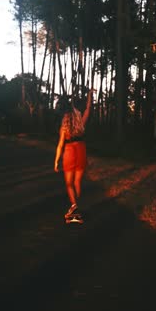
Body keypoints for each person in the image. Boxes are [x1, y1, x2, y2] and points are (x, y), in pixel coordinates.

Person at [54, 88, 94, 220]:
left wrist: (56, 161)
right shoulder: (81, 124)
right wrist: (89, 95)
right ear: (77, 115)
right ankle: (77, 208)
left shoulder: (64, 128)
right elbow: (88, 109)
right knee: (77, 182)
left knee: (69, 183)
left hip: (70, 153)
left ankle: (74, 207)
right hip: (81, 151)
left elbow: (60, 145)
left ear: (66, 117)